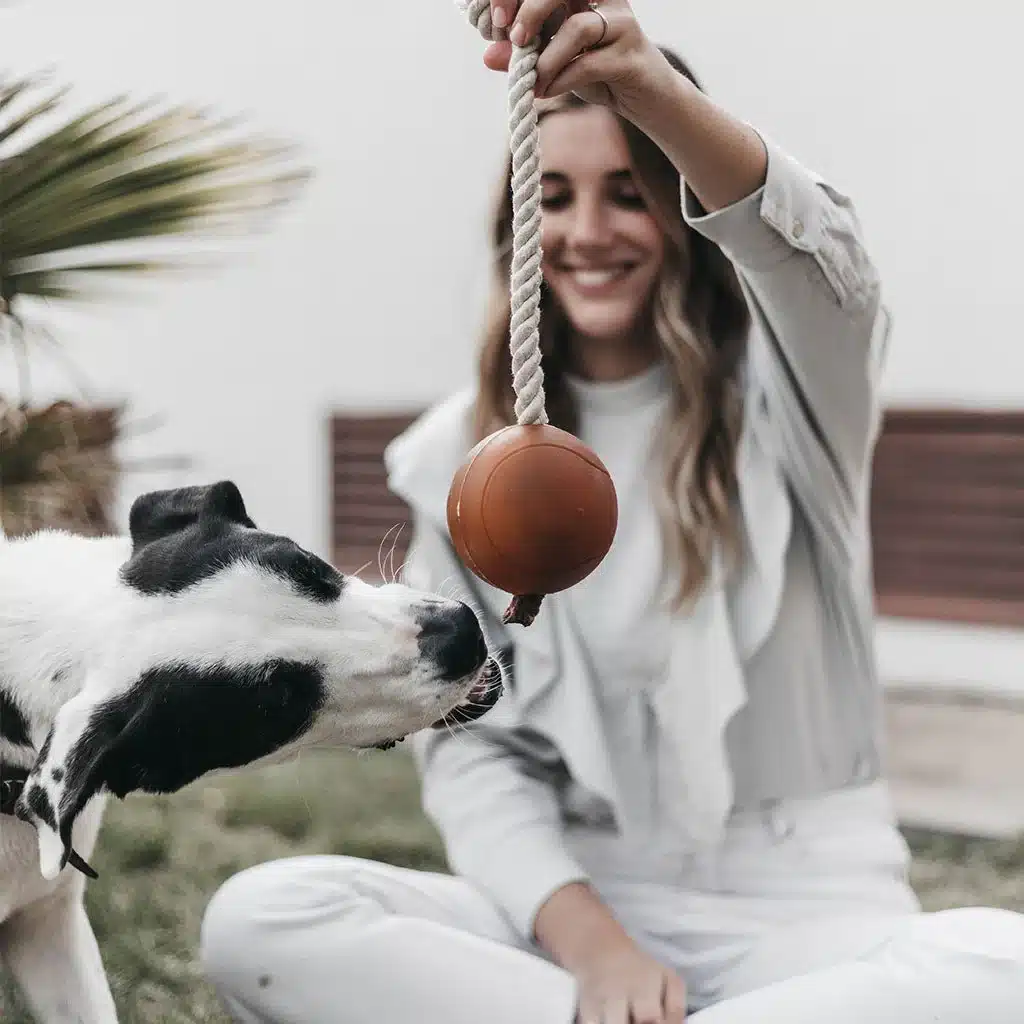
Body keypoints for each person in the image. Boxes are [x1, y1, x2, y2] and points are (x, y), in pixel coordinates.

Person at [198, 2, 1024, 1021]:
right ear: (516, 225)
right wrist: (592, 949)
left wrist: (646, 83)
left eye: (628, 194)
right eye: (552, 196)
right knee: (266, 915)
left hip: (809, 917)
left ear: (679, 214)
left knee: (1004, 963)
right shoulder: (458, 460)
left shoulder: (790, 400)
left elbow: (826, 275)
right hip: (573, 922)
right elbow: (475, 750)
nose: (587, 232)